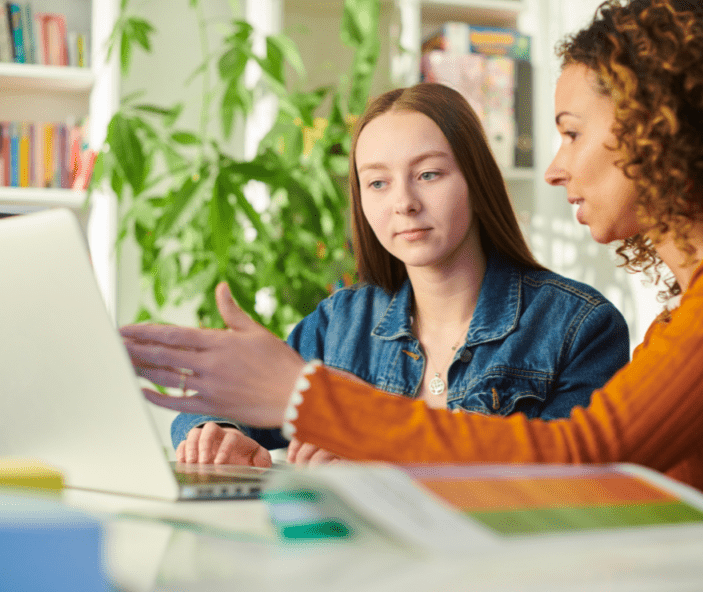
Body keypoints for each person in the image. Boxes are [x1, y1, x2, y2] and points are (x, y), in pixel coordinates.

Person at [121, 0, 703, 535]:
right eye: (376, 183)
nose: (558, 165)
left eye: (570, 131)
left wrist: (306, 399)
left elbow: (586, 459)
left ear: (661, 121)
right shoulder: (698, 298)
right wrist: (234, 436)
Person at [165, 83, 630, 467]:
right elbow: (221, 406)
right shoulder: (339, 326)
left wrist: (382, 462)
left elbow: (572, 486)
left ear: (476, 179)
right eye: (378, 183)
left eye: (428, 174)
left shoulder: (578, 326)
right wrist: (219, 433)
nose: (403, 203)